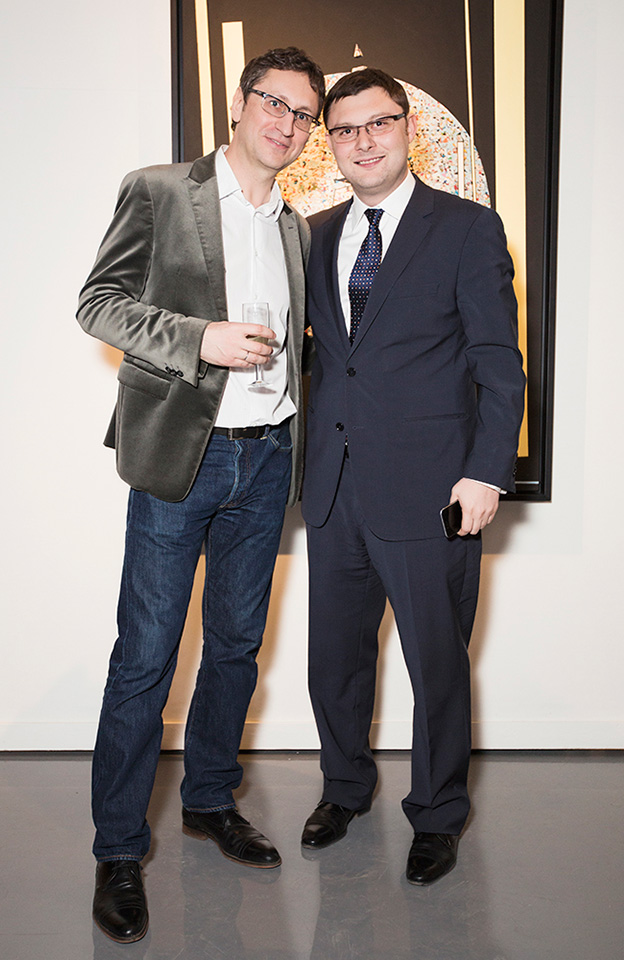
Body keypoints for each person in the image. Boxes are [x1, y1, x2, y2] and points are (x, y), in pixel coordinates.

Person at [77, 47, 325, 943]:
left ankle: (210, 798)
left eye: (303, 114)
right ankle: (117, 848)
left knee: (235, 646)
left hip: (266, 460)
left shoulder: (296, 228)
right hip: (185, 459)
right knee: (146, 655)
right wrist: (200, 340)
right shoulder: (158, 190)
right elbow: (98, 303)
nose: (286, 123)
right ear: (240, 102)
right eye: (274, 103)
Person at [300, 68, 525, 885]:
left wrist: (486, 474)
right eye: (345, 129)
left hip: (434, 491)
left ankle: (437, 812)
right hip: (334, 488)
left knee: (435, 664)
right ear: (330, 144)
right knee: (335, 662)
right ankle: (344, 788)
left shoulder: (467, 228)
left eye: (378, 123)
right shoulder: (313, 235)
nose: (363, 141)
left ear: (408, 128)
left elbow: (498, 363)